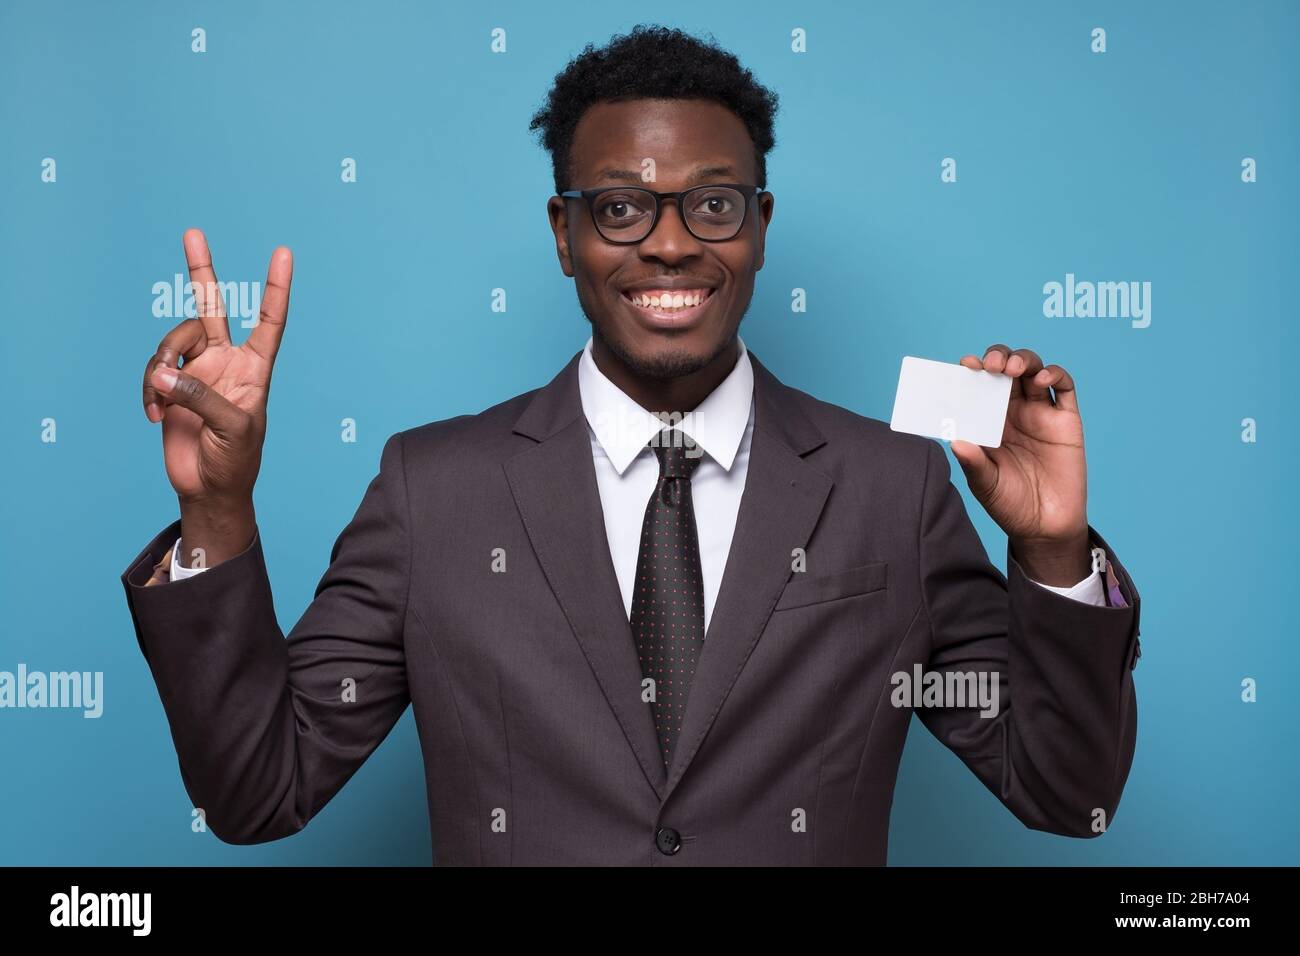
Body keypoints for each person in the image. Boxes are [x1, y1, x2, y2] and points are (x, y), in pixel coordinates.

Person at [122, 24, 1140, 865]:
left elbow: (1064, 792)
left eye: (711, 202)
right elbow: (258, 791)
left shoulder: (892, 483)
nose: (667, 241)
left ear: (758, 227)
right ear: (563, 235)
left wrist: (1053, 555)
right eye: (619, 207)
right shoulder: (433, 489)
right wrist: (215, 510)